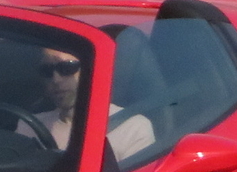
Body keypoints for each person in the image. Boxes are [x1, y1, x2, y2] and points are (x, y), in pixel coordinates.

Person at [17, 49, 155, 161]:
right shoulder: (28, 126)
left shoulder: (132, 127)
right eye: (46, 71)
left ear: (92, 69)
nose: (56, 79)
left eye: (67, 68)